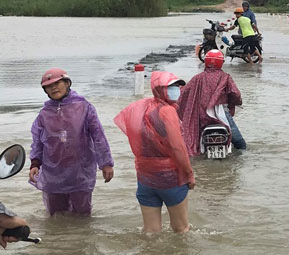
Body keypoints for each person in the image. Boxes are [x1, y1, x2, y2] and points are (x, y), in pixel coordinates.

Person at [114, 71, 195, 234]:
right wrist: (189, 174)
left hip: (145, 178)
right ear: (160, 89)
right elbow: (178, 147)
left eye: (177, 86)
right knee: (181, 229)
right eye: (171, 87)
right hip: (171, 179)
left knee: (150, 231)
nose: (176, 90)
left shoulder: (141, 108)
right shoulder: (167, 111)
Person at [29, 68, 114, 216]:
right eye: (49, 86)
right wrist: (35, 163)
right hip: (53, 173)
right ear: (45, 91)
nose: (54, 87)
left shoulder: (84, 107)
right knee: (56, 216)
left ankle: (80, 239)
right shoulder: (44, 114)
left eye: (57, 83)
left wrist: (106, 164)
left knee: (82, 216)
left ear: (67, 83)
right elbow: (38, 141)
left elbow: (98, 136)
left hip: (80, 171)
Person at [177, 50, 246, 156]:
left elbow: (184, 93)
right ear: (221, 63)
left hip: (201, 115)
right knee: (240, 144)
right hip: (222, 114)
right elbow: (235, 94)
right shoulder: (225, 77)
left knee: (195, 137)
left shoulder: (197, 78)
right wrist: (234, 104)